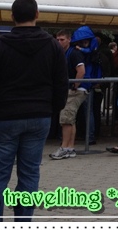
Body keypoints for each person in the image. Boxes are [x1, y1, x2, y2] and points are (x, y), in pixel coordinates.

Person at [0, 0, 68, 221]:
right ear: (37, 14)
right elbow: (61, 84)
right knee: (30, 173)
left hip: (5, 116)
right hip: (39, 116)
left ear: (12, 17)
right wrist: (51, 109)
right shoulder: (52, 46)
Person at [50, 29, 87, 160]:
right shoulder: (64, 53)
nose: (59, 42)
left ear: (69, 40)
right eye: (58, 39)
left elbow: (81, 71)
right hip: (71, 89)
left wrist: (74, 86)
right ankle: (70, 147)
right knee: (70, 119)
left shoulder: (74, 53)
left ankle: (64, 147)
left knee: (66, 118)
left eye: (62, 39)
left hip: (74, 90)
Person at [70, 26, 103, 146]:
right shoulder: (93, 52)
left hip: (83, 84)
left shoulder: (82, 52)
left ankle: (87, 136)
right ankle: (90, 136)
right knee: (89, 112)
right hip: (88, 85)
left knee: (80, 112)